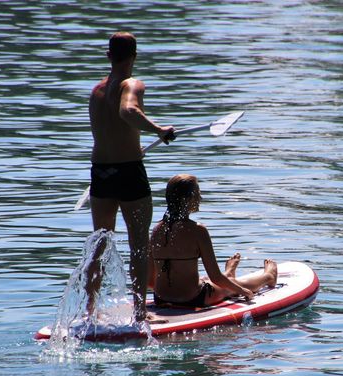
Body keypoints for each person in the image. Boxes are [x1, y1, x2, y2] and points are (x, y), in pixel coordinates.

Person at [86, 32, 175, 322]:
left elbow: (111, 132)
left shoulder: (97, 91)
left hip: (100, 173)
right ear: (134, 56)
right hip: (128, 173)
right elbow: (128, 110)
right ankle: (139, 313)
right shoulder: (132, 84)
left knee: (99, 244)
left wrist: (133, 145)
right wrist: (159, 130)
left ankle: (89, 311)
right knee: (139, 244)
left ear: (108, 55)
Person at [148, 174, 278, 308]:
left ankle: (228, 274)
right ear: (187, 199)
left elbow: (149, 281)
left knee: (205, 279)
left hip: (160, 298)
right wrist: (242, 291)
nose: (201, 198)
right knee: (230, 286)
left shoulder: (156, 231)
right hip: (193, 298)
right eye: (198, 193)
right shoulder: (198, 231)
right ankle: (269, 277)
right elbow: (215, 277)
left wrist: (172, 290)